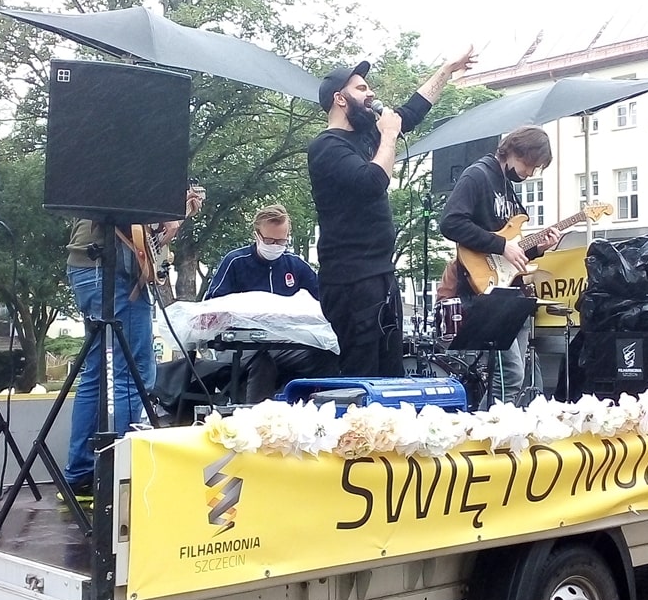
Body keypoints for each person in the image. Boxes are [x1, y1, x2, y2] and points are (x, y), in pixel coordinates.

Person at [307, 48, 476, 376]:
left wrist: (446, 70)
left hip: (380, 274)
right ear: (340, 99)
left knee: (390, 372)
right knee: (361, 372)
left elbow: (410, 112)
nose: (371, 93)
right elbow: (373, 181)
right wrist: (387, 136)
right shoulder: (326, 146)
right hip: (350, 279)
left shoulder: (367, 134)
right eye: (361, 88)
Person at [62, 185, 204, 501]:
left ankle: (83, 473)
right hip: (111, 270)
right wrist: (171, 213)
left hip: (92, 267)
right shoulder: (135, 173)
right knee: (133, 372)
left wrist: (169, 220)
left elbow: (138, 229)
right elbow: (131, 212)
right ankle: (118, 474)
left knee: (98, 373)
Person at [438, 126, 562, 404]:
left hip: (510, 291)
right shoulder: (477, 176)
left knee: (514, 377)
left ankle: (490, 425)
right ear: (516, 151)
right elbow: (450, 223)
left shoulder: (507, 187)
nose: (530, 173)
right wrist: (501, 245)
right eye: (529, 165)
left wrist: (537, 249)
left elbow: (508, 251)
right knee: (510, 375)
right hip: (485, 292)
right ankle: (489, 428)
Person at [203, 204, 336, 402]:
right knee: (262, 363)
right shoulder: (235, 262)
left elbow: (326, 297)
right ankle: (258, 415)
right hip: (240, 347)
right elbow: (213, 304)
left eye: (281, 241)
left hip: (282, 344)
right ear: (256, 235)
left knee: (326, 355)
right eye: (269, 241)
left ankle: (315, 407)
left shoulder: (295, 265)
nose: (275, 246)